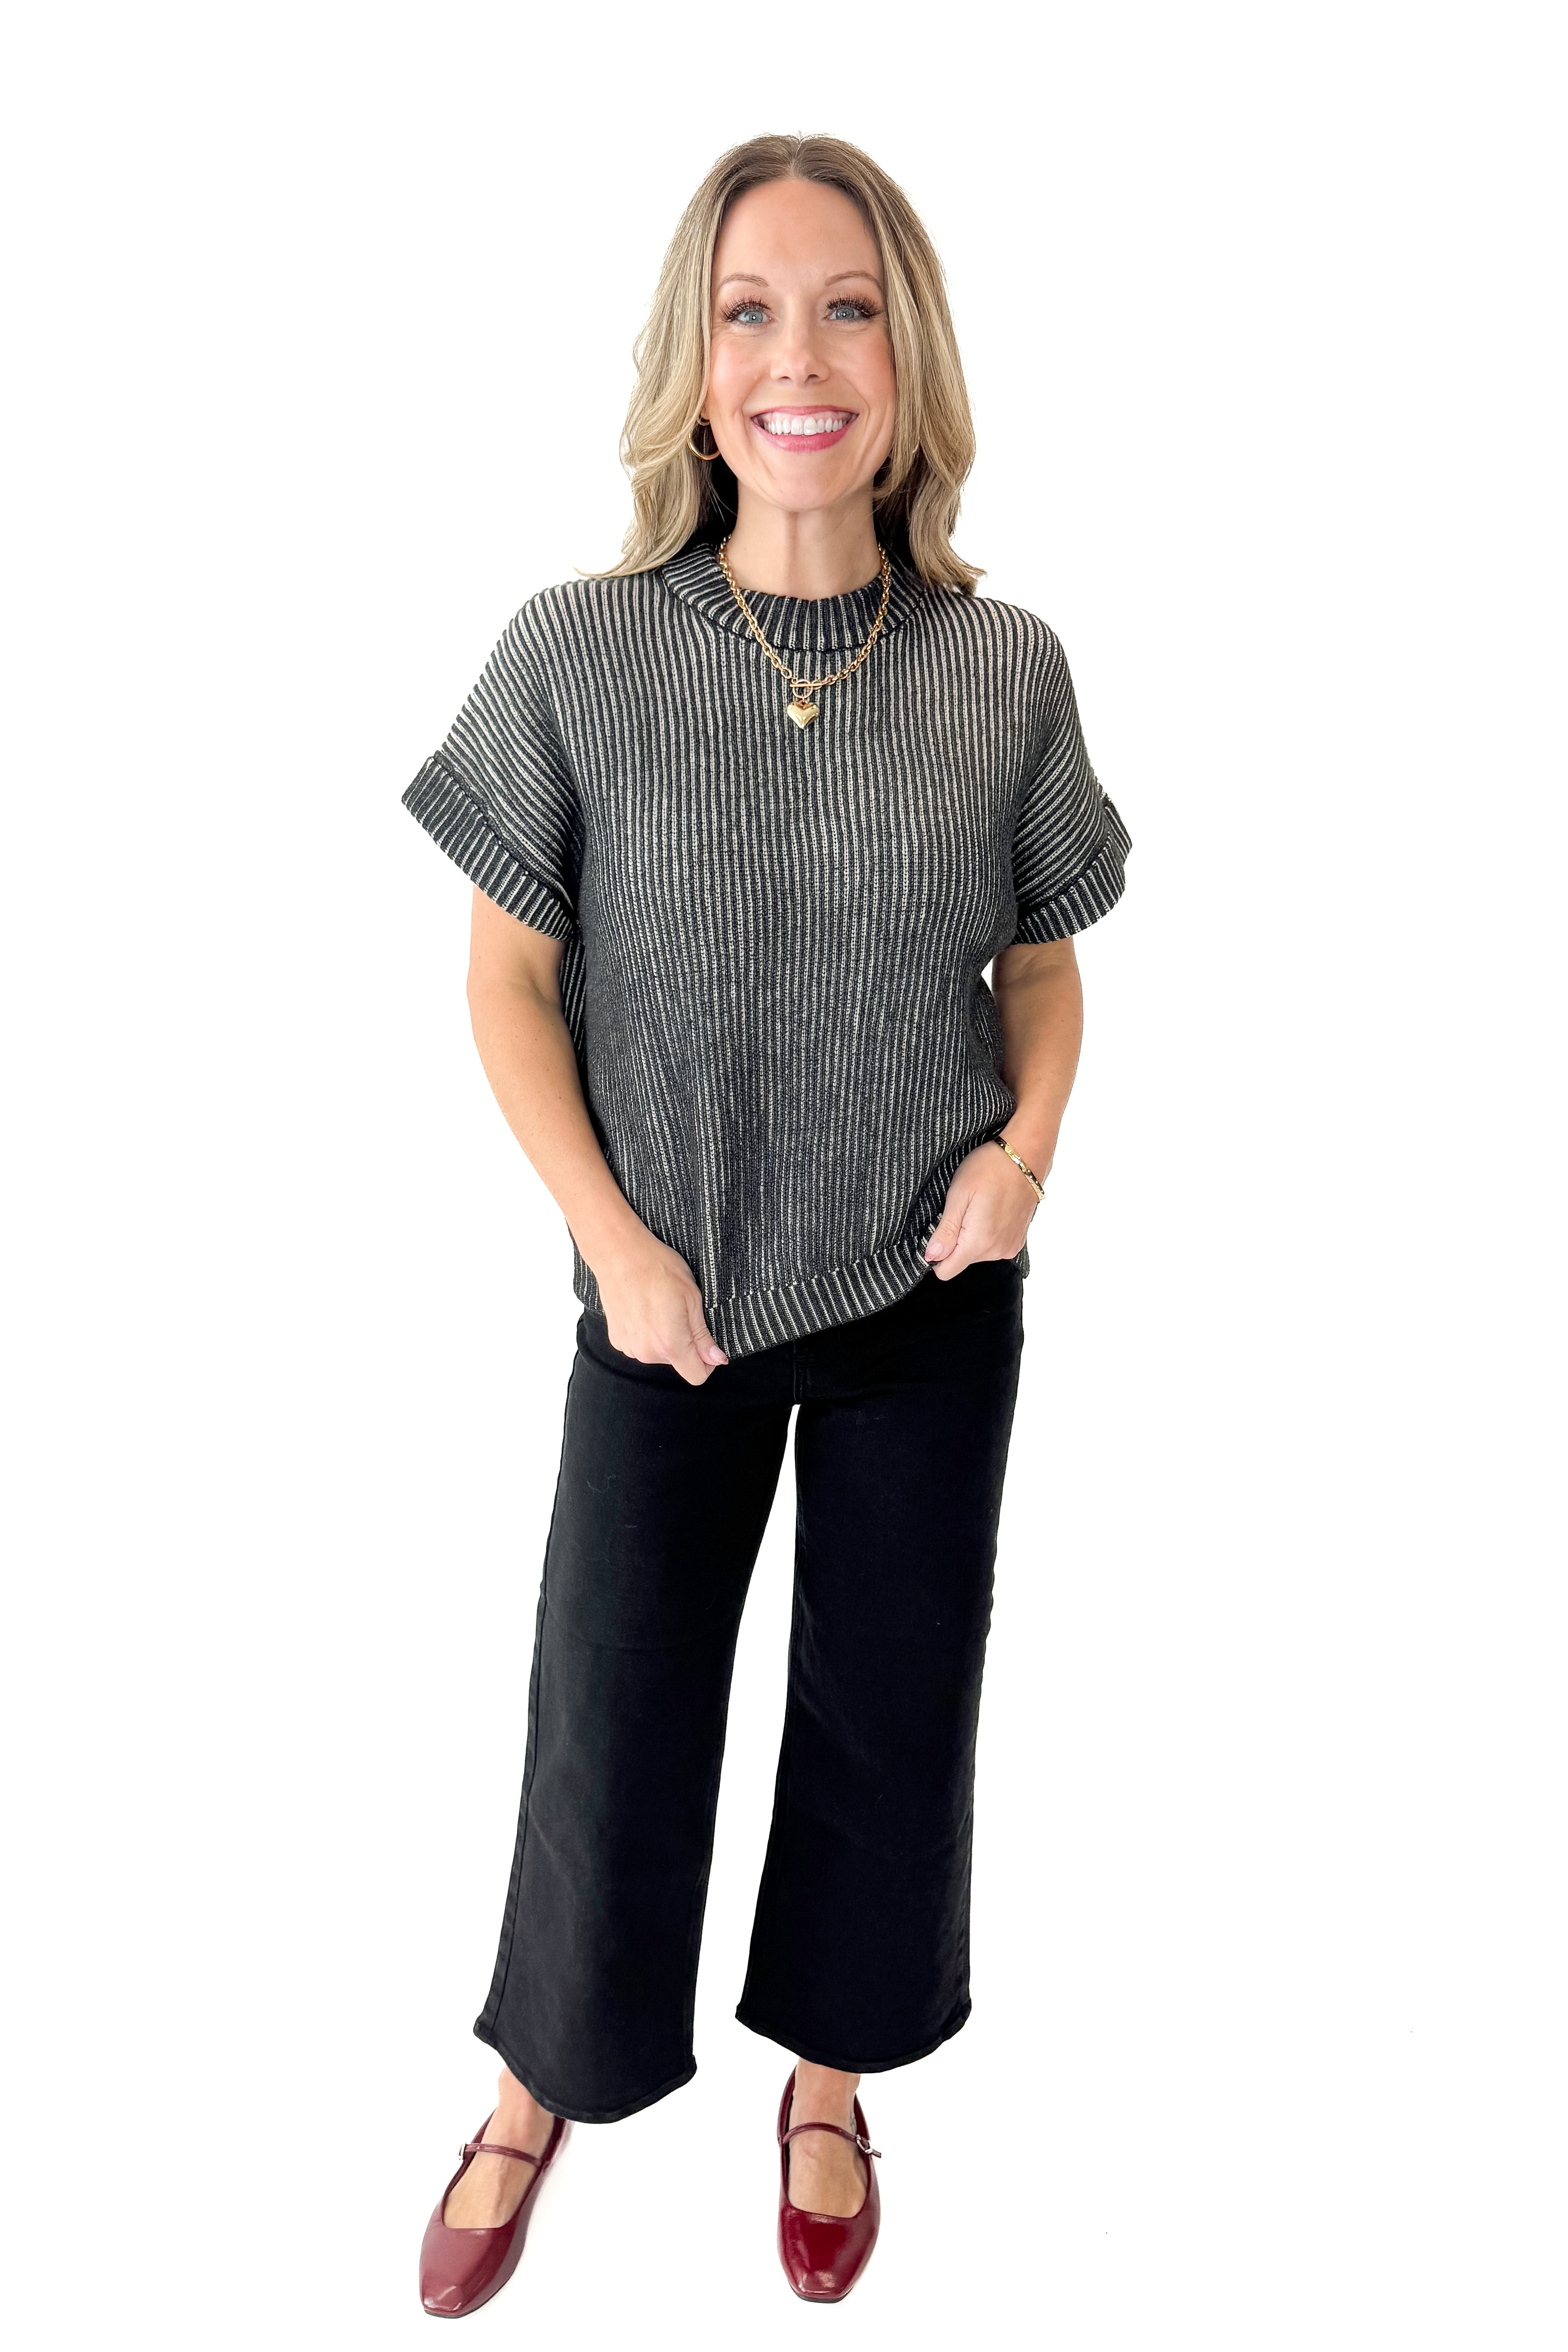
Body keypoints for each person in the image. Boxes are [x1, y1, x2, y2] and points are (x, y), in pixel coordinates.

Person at [402, 131, 1130, 2317]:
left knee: (889, 1706)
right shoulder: (577, 652)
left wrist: (1024, 1160)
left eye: (842, 308)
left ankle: (825, 2076)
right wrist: (614, 1242)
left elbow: (1043, 955)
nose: (795, 355)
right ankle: (541, 2079)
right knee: (612, 1708)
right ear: (691, 365)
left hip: (927, 1287)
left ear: (902, 359)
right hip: (666, 1295)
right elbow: (503, 981)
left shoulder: (1003, 671)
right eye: (748, 311)